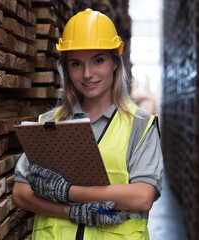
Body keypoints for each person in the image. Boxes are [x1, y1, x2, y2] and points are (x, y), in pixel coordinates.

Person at [12, 8, 164, 240]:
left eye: (98, 60)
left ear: (115, 62)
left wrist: (67, 191)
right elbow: (21, 193)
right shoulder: (50, 123)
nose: (87, 74)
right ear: (66, 67)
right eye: (76, 64)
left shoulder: (140, 125)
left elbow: (142, 196)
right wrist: (71, 212)